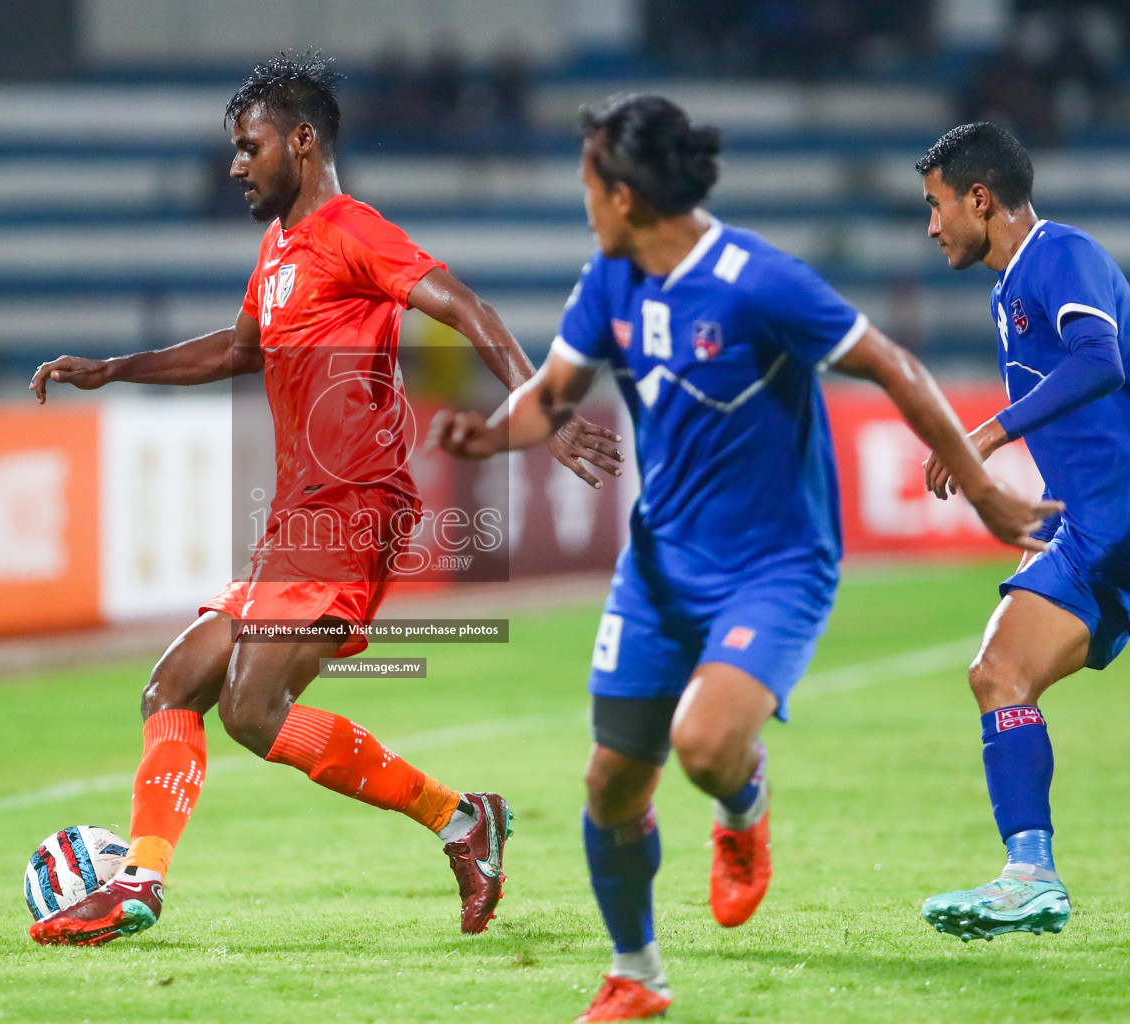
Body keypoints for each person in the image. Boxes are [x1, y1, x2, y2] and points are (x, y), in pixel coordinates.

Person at [430, 95, 1055, 1021]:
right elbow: (554, 391)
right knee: (609, 784)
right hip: (659, 569)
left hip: (776, 564)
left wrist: (987, 487)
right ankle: (638, 973)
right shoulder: (610, 281)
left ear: (628, 194)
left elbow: (890, 366)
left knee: (705, 744)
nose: (585, 203)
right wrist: (489, 435)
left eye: (590, 187)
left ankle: (743, 796)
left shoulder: (759, 281)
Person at [23, 52, 622, 947]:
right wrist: (116, 369)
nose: (235, 164)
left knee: (250, 708)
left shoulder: (351, 230)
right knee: (173, 689)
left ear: (300, 142)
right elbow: (236, 351)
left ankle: (155, 886)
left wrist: (545, 406)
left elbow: (464, 308)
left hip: (354, 507)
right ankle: (452, 823)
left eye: (248, 145)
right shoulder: (278, 250)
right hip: (297, 514)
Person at [916, 122, 1130, 942]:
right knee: (997, 671)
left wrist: (987, 433)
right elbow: (1092, 429)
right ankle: (1030, 874)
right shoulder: (1007, 293)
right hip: (1088, 534)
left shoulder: (1062, 255)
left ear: (981, 198)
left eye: (937, 206)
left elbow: (1100, 361)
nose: (932, 225)